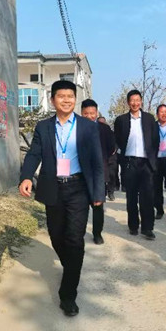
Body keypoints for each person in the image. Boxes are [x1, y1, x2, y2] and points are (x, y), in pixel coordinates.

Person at [19, 80, 104, 317]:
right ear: (53, 99)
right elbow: (34, 153)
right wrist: (26, 177)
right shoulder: (44, 127)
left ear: (75, 99)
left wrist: (98, 192)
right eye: (61, 96)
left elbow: (97, 161)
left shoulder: (88, 127)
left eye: (70, 96)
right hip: (53, 187)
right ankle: (72, 267)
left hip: (78, 188)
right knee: (56, 235)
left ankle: (68, 296)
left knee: (75, 239)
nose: (66, 100)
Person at [114, 90, 159, 240]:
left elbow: (155, 140)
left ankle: (148, 228)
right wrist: (121, 159)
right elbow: (117, 140)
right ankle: (133, 225)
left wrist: (153, 161)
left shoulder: (149, 119)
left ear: (141, 101)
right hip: (129, 163)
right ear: (128, 102)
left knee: (147, 197)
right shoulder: (121, 120)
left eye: (137, 100)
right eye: (132, 100)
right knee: (131, 196)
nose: (135, 103)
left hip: (146, 163)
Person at [81, 99, 116, 245]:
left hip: (99, 173)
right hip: (80, 173)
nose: (89, 116)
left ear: (96, 113)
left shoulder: (104, 129)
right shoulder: (76, 128)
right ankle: (79, 232)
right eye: (86, 113)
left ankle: (97, 233)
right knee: (80, 206)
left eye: (92, 113)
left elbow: (111, 148)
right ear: (81, 113)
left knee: (98, 205)